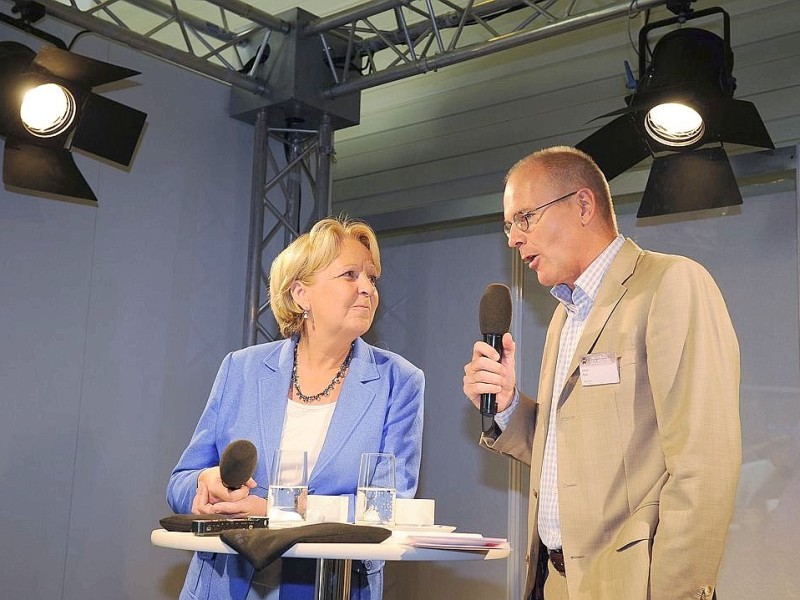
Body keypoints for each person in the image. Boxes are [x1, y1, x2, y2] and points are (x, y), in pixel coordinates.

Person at [462, 146, 741, 600]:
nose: (513, 239)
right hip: (554, 582)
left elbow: (704, 465)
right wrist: (510, 404)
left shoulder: (670, 284)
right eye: (508, 227)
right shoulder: (565, 316)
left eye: (525, 218)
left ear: (584, 205)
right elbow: (576, 457)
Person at [167, 216, 425, 600]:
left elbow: (392, 504)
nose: (367, 289)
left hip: (333, 586)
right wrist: (205, 487)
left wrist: (277, 508)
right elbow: (180, 483)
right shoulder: (241, 369)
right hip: (223, 586)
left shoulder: (399, 381)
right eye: (350, 275)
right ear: (301, 293)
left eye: (372, 278)